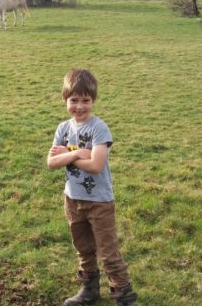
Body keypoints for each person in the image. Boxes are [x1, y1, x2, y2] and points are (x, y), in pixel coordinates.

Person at [47, 69, 137, 306]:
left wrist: (67, 153)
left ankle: (124, 298)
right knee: (83, 248)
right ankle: (89, 290)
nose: (79, 106)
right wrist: (77, 153)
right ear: (64, 99)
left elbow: (96, 165)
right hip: (73, 199)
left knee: (108, 254)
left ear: (93, 100)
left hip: (99, 202)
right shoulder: (63, 129)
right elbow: (51, 162)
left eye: (85, 100)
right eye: (74, 100)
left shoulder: (99, 129)